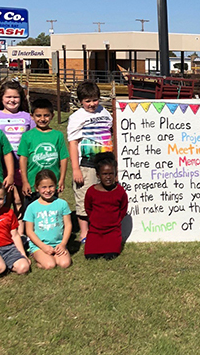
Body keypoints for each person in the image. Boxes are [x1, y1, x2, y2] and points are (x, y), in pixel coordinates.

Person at [67, 81, 113, 242]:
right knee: (84, 197)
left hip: (106, 163)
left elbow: (111, 131)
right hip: (86, 164)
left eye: (95, 100)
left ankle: (100, 227)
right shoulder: (76, 117)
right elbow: (73, 142)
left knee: (104, 197)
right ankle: (84, 233)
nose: (92, 104)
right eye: (88, 101)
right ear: (81, 101)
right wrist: (75, 169)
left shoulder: (105, 112)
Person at [17, 98, 69, 216]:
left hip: (52, 183)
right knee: (31, 213)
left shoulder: (58, 135)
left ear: (52, 115)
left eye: (46, 115)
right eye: (38, 115)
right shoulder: (27, 136)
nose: (42, 119)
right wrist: (25, 181)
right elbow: (23, 159)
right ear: (32, 116)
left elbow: (64, 158)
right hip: (32, 183)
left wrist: (61, 179)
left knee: (50, 211)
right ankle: (30, 233)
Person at [0, 80, 34, 214]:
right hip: (1, 166)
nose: (12, 100)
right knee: (4, 199)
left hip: (22, 166)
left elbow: (33, 140)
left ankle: (20, 230)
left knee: (20, 199)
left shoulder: (28, 117)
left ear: (21, 98)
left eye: (15, 97)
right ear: (1, 98)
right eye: (8, 97)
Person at [24, 170, 72, 270]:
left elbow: (68, 225)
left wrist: (63, 244)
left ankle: (53, 255)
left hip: (58, 243)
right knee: (50, 265)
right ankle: (36, 256)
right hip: (39, 245)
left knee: (64, 263)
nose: (48, 190)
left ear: (56, 185)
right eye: (44, 187)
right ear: (37, 188)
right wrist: (43, 246)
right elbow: (29, 231)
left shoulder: (62, 204)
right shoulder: (31, 207)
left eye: (51, 186)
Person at [84, 152, 128, 260]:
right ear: (98, 175)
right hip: (95, 230)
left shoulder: (120, 191)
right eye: (104, 174)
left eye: (111, 174)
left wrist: (115, 221)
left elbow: (123, 208)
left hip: (113, 231)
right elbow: (88, 208)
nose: (108, 177)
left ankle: (111, 246)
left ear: (115, 174)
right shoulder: (91, 191)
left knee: (110, 255)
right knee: (90, 256)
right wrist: (95, 220)